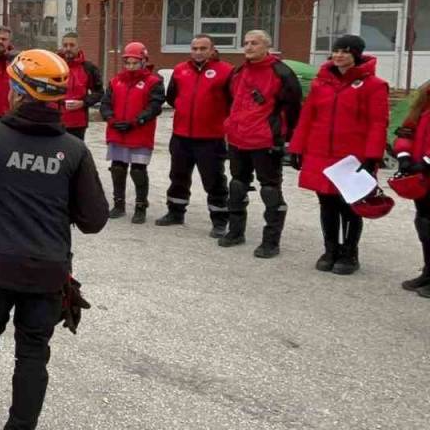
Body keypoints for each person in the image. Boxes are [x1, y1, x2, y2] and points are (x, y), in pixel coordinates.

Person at [0, 49, 109, 430]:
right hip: (47, 272)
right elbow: (94, 220)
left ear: (19, 91)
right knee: (33, 354)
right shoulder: (73, 150)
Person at [287, 35, 388, 274]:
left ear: (357, 55)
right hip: (321, 153)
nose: (339, 55)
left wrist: (372, 156)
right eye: (336, 51)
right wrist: (297, 148)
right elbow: (308, 117)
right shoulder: (321, 83)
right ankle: (330, 248)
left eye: (346, 51)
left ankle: (350, 253)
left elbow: (378, 123)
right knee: (327, 204)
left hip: (353, 157)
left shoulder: (374, 85)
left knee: (351, 206)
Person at [222, 29, 302, 257]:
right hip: (238, 138)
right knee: (237, 186)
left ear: (267, 46)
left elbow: (294, 108)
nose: (248, 47)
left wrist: (289, 140)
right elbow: (231, 101)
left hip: (265, 140)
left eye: (254, 43)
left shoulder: (282, 72)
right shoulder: (238, 72)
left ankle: (271, 241)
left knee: (270, 190)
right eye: (246, 43)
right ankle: (236, 232)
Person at [158, 34, 233, 236]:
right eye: (195, 48)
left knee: (214, 180)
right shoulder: (180, 70)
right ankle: (175, 212)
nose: (198, 52)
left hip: (211, 137)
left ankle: (219, 220)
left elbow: (232, 102)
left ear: (212, 50)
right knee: (178, 176)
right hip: (181, 135)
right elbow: (172, 97)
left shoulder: (226, 71)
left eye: (203, 48)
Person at [100, 42, 165, 223]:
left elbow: (155, 106)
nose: (131, 66)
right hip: (117, 131)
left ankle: (140, 206)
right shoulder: (115, 81)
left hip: (139, 132)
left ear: (144, 61)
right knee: (117, 169)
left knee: (138, 170)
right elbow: (105, 104)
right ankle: (118, 204)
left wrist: (137, 121)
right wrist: (111, 119)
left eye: (135, 62)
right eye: (127, 63)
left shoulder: (154, 82)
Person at [393, 80, 430, 298]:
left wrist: (426, 160)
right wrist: (404, 156)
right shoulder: (424, 98)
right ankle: (428, 271)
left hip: (425, 168)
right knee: (424, 222)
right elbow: (407, 130)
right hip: (422, 176)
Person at [58, 32, 103, 141]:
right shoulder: (54, 65)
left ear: (79, 47)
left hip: (78, 123)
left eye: (72, 45)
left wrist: (83, 103)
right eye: (65, 45)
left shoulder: (89, 68)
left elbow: (99, 93)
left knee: (75, 155)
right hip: (55, 121)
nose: (68, 48)